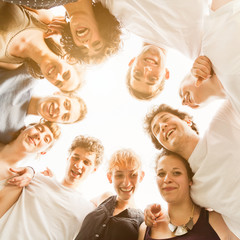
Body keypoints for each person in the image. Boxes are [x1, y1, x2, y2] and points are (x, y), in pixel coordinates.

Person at [144, 103, 240, 237]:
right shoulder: (195, 190)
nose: (162, 126)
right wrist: (151, 210)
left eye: (165, 119)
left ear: (187, 121)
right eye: (157, 130)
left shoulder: (221, 123)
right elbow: (181, 207)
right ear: (163, 146)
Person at [0, 135, 104, 239]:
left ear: (94, 169)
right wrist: (30, 170)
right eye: (75, 158)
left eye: (86, 162)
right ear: (68, 159)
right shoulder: (36, 178)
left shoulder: (89, 209)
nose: (78, 165)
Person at [139, 150, 238, 239]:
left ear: (190, 179)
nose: (167, 179)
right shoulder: (146, 227)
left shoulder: (216, 221)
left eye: (176, 173)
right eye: (161, 174)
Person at [0, 2, 81, 92]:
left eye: (58, 83)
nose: (57, 77)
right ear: (69, 59)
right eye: (66, 74)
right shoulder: (46, 21)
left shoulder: (12, 64)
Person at [0, 65, 86, 144]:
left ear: (57, 122)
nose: (60, 110)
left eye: (64, 117)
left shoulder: (12, 133)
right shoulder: (29, 74)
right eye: (66, 104)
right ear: (58, 93)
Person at [75, 148, 145, 240]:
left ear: (141, 176)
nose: (126, 183)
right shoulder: (105, 197)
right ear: (109, 177)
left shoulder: (142, 222)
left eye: (133, 175)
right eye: (119, 175)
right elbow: (79, 202)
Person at [0, 120, 61, 215]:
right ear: (24, 129)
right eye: (39, 129)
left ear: (43, 152)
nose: (39, 136)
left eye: (46, 139)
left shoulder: (15, 183)